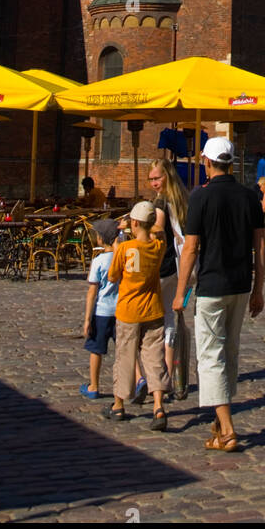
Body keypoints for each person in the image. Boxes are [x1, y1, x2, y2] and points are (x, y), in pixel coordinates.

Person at [174, 136, 265, 452]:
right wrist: (259, 289)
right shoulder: (250, 197)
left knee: (211, 356)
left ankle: (227, 429)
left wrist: (181, 291)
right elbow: (260, 246)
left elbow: (190, 249)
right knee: (230, 351)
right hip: (241, 286)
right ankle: (218, 420)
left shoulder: (200, 198)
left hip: (212, 287)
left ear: (207, 162)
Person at [107, 201, 168, 429]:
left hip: (128, 310)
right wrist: (148, 226)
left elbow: (113, 277)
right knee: (154, 357)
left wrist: (122, 234)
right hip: (152, 309)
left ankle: (118, 404)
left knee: (125, 356)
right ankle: (159, 407)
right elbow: (160, 232)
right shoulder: (157, 247)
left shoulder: (124, 248)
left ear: (133, 222)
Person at [147, 158, 191, 394]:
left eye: (157, 178)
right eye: (151, 179)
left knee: (150, 322)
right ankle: (170, 375)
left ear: (167, 177)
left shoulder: (162, 201)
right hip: (180, 266)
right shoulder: (183, 198)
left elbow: (157, 230)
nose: (154, 183)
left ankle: (157, 379)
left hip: (163, 266)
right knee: (170, 321)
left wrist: (138, 226)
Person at [81, 219, 119, 399]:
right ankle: (135, 381)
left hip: (102, 311)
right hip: (120, 311)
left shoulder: (99, 261)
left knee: (96, 349)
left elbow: (92, 291)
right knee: (125, 350)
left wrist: (87, 319)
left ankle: (94, 386)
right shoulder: (122, 258)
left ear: (101, 239)